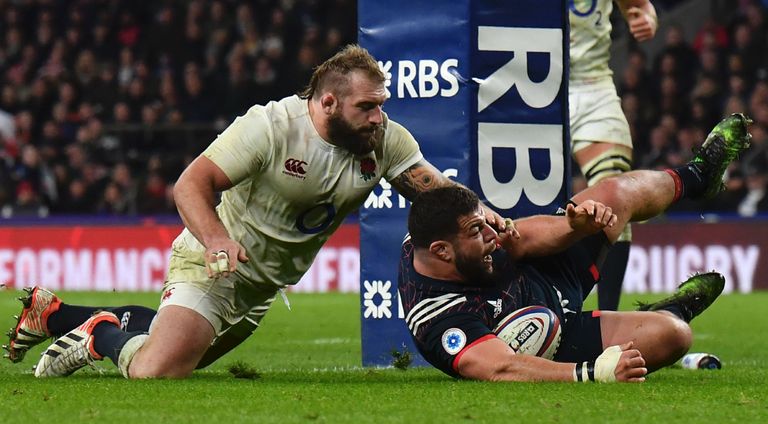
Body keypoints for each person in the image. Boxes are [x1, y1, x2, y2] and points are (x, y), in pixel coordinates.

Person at [4, 45, 507, 378]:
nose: (378, 117)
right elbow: (191, 185)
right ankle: (99, 336)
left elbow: (439, 196)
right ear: (328, 102)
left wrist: (485, 215)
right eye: (367, 107)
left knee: (180, 347)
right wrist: (217, 239)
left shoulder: (386, 140)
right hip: (214, 264)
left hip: (262, 287)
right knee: (158, 370)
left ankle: (55, 314)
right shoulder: (270, 126)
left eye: (381, 105)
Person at [398, 113, 752, 382]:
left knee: (614, 197)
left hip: (541, 270)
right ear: (443, 252)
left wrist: (572, 226)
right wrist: (588, 372)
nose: (491, 235)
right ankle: (673, 310)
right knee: (674, 335)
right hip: (554, 337)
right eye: (478, 231)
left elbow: (519, 239)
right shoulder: (438, 319)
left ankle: (698, 177)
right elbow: (500, 366)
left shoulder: (455, 230)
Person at [569, 0, 658, 310]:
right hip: (524, 86)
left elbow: (641, 6)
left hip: (590, 87)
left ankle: (606, 318)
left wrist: (646, 18)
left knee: (614, 198)